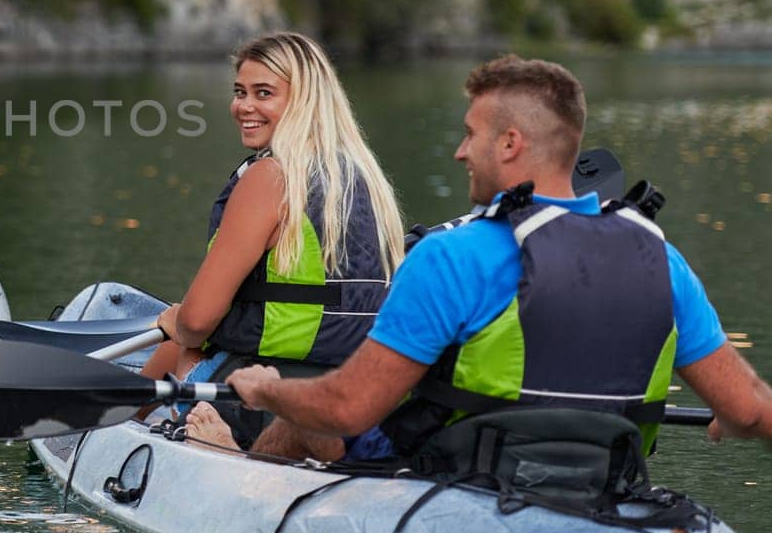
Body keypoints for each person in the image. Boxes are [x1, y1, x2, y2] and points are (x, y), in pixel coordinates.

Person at [224, 54, 772, 459]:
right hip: (604, 482)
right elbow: (750, 410)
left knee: (302, 419)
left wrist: (268, 389)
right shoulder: (660, 257)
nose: (461, 151)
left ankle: (245, 492)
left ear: (509, 144)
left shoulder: (451, 256)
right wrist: (730, 414)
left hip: (458, 485)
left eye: (470, 135)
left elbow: (346, 407)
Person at [143, 32, 406, 460]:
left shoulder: (271, 177)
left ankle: (118, 429)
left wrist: (180, 320)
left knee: (184, 339)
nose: (244, 107)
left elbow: (198, 321)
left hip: (257, 396)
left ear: (304, 101)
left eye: (263, 93)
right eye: (239, 92)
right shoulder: (365, 180)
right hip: (350, 393)